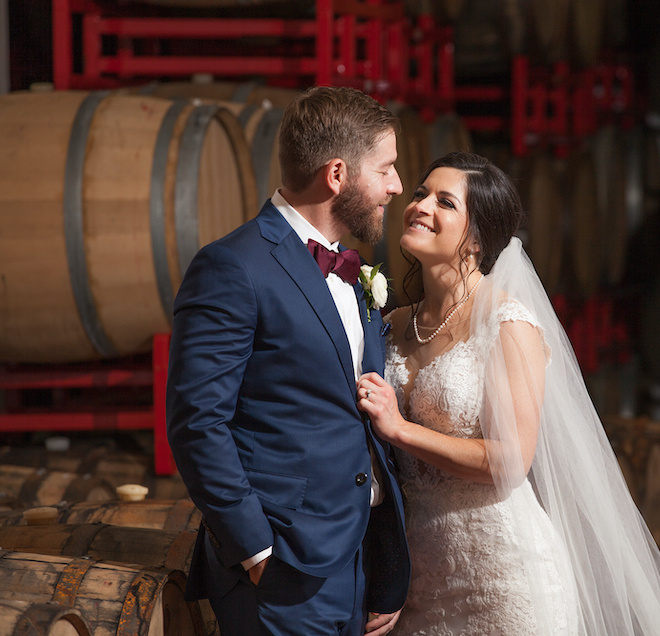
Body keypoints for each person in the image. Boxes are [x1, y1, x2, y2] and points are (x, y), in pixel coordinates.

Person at [357, 152, 660, 635]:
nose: (419, 205)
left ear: (476, 239)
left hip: (504, 578)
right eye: (419, 194)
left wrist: (399, 429)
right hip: (416, 578)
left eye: (444, 201)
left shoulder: (507, 323)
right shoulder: (390, 325)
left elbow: (511, 462)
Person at [166, 86, 411, 636]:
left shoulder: (356, 270)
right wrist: (255, 548)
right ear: (338, 174)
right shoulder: (233, 266)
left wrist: (382, 561)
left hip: (355, 560)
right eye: (387, 169)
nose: (397, 186)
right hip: (281, 571)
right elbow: (196, 422)